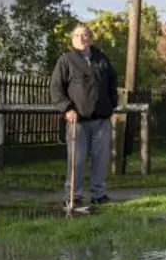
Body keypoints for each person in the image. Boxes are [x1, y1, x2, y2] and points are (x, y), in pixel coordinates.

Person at [49, 23, 119, 210]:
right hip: (77, 120)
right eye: (77, 35)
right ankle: (73, 196)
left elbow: (112, 81)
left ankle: (99, 194)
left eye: (85, 34)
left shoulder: (101, 58)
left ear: (91, 38)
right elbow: (56, 89)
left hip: (101, 119)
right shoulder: (66, 60)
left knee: (101, 159)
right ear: (72, 40)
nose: (81, 38)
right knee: (77, 160)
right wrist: (67, 109)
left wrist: (111, 103)